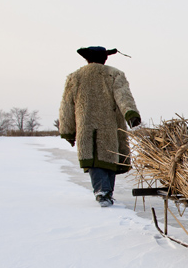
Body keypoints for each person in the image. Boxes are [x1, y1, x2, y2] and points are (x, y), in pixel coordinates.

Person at [59, 46, 142, 207]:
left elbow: (66, 106)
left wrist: (68, 130)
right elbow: (123, 96)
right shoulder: (114, 74)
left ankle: (104, 192)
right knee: (109, 155)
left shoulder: (75, 77)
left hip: (86, 124)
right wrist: (130, 113)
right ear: (105, 59)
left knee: (94, 158)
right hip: (109, 124)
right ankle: (104, 192)